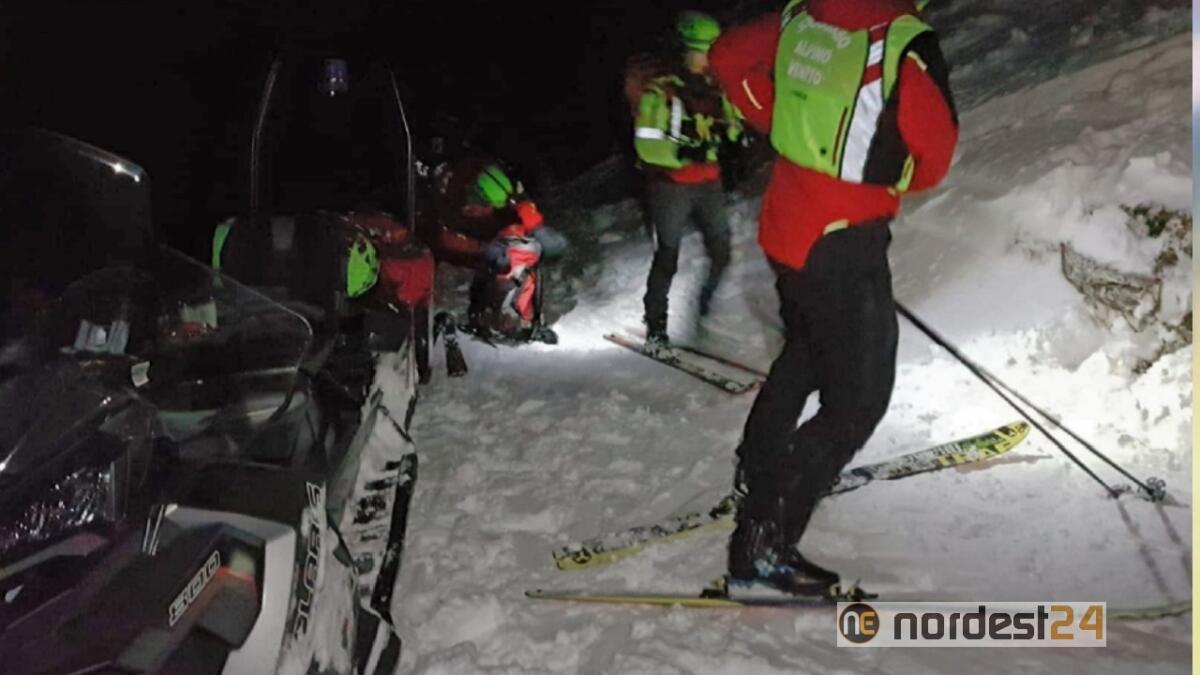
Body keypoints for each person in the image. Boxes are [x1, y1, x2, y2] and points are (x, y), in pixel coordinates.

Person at [707, 0, 958, 595]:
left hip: (788, 226)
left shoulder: (803, 14)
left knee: (807, 354)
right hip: (841, 241)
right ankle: (761, 548)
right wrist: (873, 168)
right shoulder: (901, 42)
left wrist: (779, 123)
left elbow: (726, 56)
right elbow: (932, 157)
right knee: (857, 401)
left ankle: (759, 465)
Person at [632, 10, 743, 352]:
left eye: (709, 49)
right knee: (667, 256)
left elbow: (732, 120)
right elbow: (646, 142)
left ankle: (703, 311)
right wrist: (681, 156)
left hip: (709, 182)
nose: (705, 57)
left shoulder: (714, 86)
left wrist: (734, 136)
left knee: (722, 252)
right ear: (683, 49)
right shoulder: (661, 91)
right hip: (671, 186)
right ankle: (655, 326)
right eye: (700, 50)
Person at [422, 153, 567, 343]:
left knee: (522, 249)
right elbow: (442, 240)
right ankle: (477, 319)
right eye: (485, 206)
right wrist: (482, 248)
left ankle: (520, 319)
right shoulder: (442, 199)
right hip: (452, 249)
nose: (488, 210)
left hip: (488, 242)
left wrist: (535, 226)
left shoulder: (495, 181)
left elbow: (523, 206)